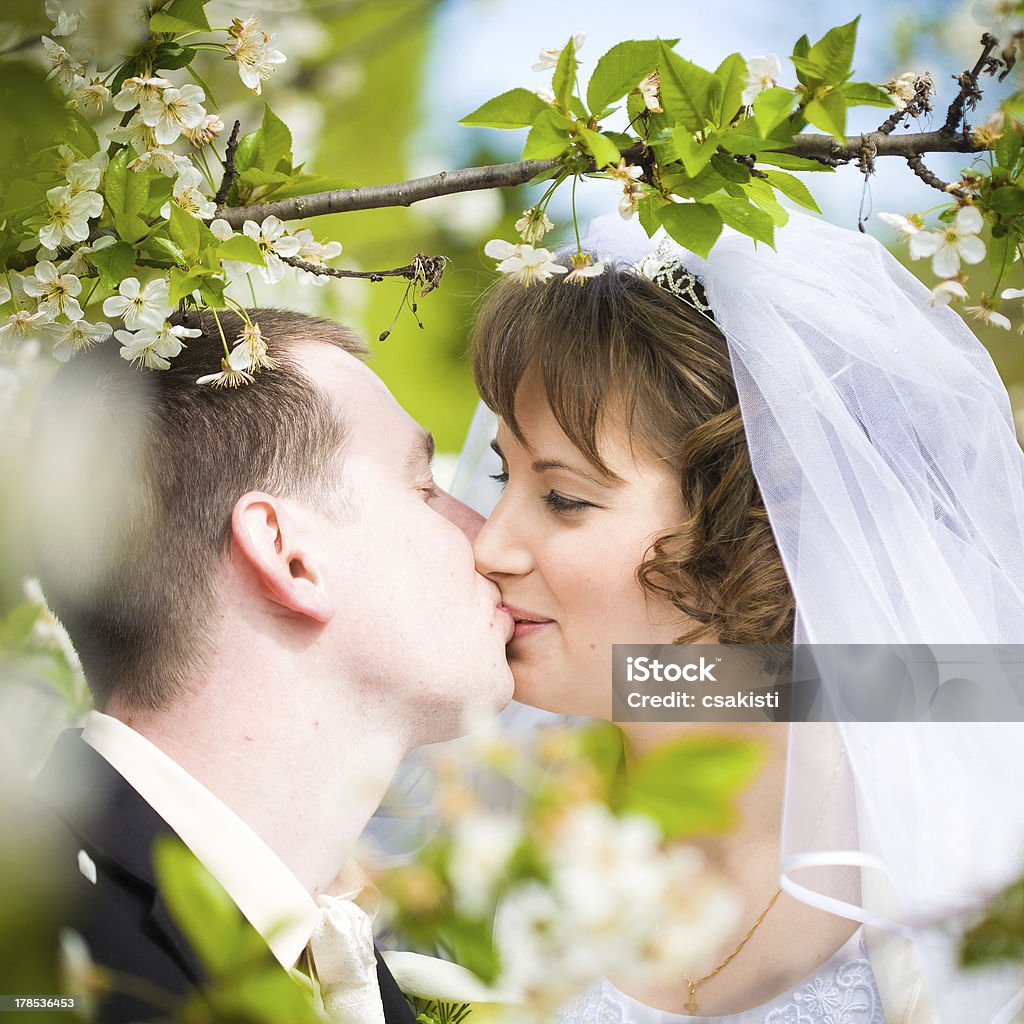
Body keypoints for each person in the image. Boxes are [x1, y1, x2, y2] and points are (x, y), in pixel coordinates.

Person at [466, 212, 1024, 1023]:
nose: (489, 545)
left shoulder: (970, 857)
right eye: (500, 475)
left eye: (563, 497)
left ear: (756, 520)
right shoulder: (473, 825)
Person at [26, 307, 514, 1023]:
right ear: (288, 555)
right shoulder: (42, 948)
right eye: (423, 485)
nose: (488, 536)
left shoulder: (345, 971)